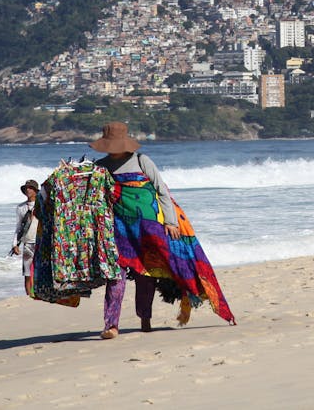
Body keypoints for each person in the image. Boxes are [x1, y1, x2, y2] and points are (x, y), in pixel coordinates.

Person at [91, 121, 235, 337]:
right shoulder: (100, 166)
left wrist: (171, 222)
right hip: (118, 228)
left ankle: (145, 318)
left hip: (149, 228)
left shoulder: (141, 160)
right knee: (115, 277)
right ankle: (111, 325)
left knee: (145, 275)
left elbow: (161, 190)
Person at [11, 179, 39, 296]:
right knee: (27, 273)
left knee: (40, 271)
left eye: (31, 188)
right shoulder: (21, 208)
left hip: (40, 242)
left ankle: (39, 294)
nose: (28, 190)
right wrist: (14, 244)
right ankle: (29, 296)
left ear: (35, 191)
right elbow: (18, 227)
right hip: (27, 243)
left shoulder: (42, 205)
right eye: (26, 188)